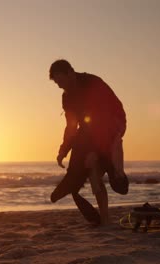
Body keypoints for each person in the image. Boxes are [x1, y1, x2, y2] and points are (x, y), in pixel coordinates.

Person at [49, 59, 127, 226]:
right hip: (88, 132)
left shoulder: (92, 84)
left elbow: (102, 119)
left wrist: (94, 150)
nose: (60, 86)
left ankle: (117, 172)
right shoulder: (67, 97)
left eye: (61, 81)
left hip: (112, 123)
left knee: (99, 166)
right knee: (86, 173)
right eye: (56, 83)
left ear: (70, 72)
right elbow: (71, 126)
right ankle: (103, 219)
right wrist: (63, 150)